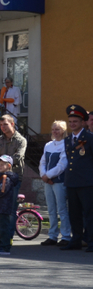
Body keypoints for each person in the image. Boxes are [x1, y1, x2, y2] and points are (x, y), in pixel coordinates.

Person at [0, 114, 27, 245]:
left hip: (14, 178)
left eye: (5, 124)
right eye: (1, 125)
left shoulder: (21, 140)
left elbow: (18, 157)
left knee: (10, 210)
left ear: (12, 124)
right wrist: (2, 163)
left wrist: (2, 160)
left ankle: (8, 237)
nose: (3, 127)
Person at [60, 105, 93, 252]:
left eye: (75, 121)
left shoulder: (89, 138)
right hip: (72, 181)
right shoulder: (67, 140)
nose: (72, 124)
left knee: (89, 213)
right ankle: (76, 241)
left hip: (87, 182)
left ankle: (91, 242)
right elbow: (70, 159)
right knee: (74, 213)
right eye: (70, 121)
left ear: (82, 122)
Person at [39, 121, 71, 246]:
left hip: (59, 181)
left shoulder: (66, 144)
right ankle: (52, 236)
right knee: (51, 209)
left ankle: (66, 236)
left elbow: (62, 165)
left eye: (57, 129)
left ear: (63, 130)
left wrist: (48, 176)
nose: (55, 131)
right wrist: (43, 175)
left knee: (62, 209)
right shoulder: (48, 145)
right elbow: (42, 162)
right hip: (48, 182)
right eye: (53, 129)